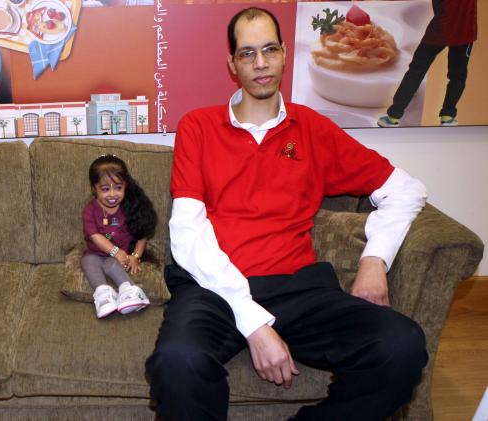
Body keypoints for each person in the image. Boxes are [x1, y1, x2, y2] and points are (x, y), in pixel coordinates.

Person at [146, 7, 429, 421]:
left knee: (402, 345)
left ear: (283, 54)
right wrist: (255, 324)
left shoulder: (313, 129)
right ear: (232, 65)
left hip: (297, 288)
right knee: (177, 362)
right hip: (213, 289)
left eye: (269, 50)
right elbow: (187, 234)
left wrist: (375, 260)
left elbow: (406, 190)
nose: (260, 63)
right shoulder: (198, 127)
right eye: (247, 54)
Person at [378, 0, 477, 127]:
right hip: (464, 29)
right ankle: (448, 116)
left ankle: (393, 116)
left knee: (416, 70)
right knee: (457, 75)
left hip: (441, 28)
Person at [81, 154, 157, 318]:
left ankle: (130, 290)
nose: (112, 194)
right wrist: (115, 251)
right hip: (96, 253)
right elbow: (94, 236)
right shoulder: (90, 210)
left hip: (122, 255)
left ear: (125, 186)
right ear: (94, 188)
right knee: (87, 261)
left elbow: (142, 234)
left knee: (110, 265)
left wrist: (135, 256)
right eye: (105, 189)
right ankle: (103, 293)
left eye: (118, 188)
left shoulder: (131, 206)